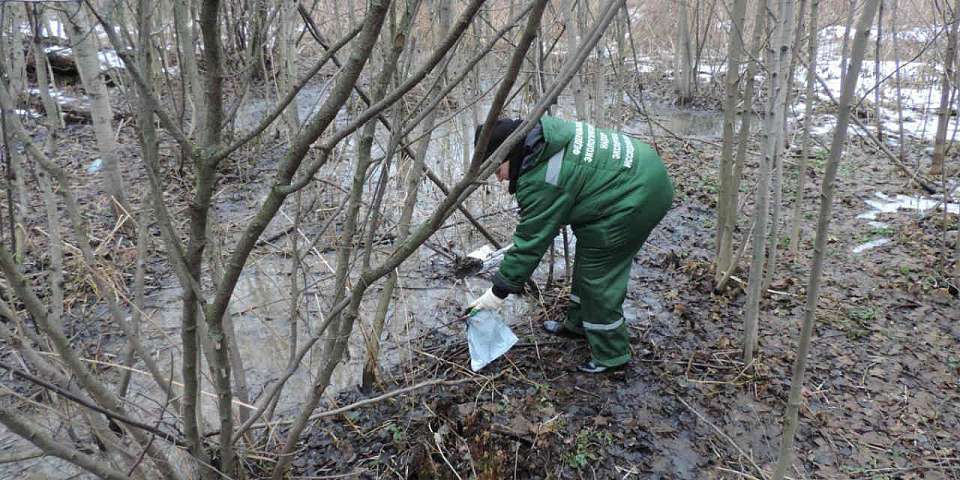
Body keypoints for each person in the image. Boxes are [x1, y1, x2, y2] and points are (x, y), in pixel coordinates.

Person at [467, 116, 674, 373]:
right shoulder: (544, 136)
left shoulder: (542, 177)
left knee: (599, 278)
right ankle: (577, 324)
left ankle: (613, 356)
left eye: (498, 170)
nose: (499, 179)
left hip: (638, 194)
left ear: (509, 153)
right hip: (638, 171)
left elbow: (531, 242)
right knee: (589, 257)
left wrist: (496, 293)